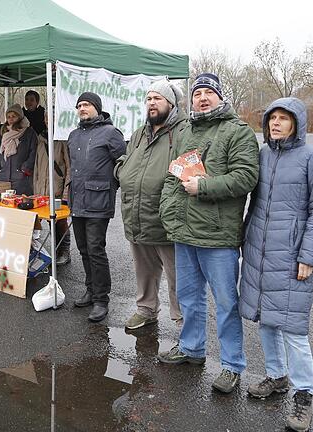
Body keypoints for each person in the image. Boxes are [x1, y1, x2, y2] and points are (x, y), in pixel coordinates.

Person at [157, 73, 259, 394]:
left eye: (208, 93)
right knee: (188, 297)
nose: (202, 98)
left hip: (217, 234)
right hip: (185, 231)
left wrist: (203, 187)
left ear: (220, 97)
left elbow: (246, 177)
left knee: (227, 303)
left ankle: (232, 365)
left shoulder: (238, 132)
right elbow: (176, 175)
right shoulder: (186, 129)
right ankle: (191, 348)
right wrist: (166, 207)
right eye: (197, 92)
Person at [239, 97, 313, 432]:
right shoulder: (263, 155)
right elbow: (253, 203)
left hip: (292, 255)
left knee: (293, 329)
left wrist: (308, 256)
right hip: (259, 254)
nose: (276, 123)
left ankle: (304, 394)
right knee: (265, 320)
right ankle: (276, 376)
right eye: (272, 118)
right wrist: (243, 239)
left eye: (283, 118)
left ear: (297, 123)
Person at [116, 80, 187, 330]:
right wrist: (121, 171)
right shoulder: (139, 132)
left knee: (178, 274)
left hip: (166, 217)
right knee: (144, 269)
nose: (152, 103)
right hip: (137, 212)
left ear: (170, 103)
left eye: (157, 98)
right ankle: (146, 309)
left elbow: (189, 168)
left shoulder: (183, 131)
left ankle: (182, 320)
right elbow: (125, 157)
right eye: (149, 99)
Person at [66, 92, 126, 322]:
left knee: (95, 250)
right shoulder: (73, 135)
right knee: (83, 249)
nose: (82, 108)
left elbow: (123, 164)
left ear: (97, 108)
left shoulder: (111, 133)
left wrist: (110, 187)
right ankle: (90, 290)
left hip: (98, 201)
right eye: (79, 105)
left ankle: (102, 299)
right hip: (78, 201)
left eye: (87, 105)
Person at [33, 111, 71, 265]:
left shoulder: (63, 140)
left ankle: (64, 251)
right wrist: (35, 190)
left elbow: (69, 167)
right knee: (50, 222)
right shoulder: (41, 139)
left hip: (57, 188)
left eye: (53, 117)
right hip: (41, 189)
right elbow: (37, 166)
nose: (49, 121)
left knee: (60, 221)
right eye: (47, 118)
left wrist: (66, 194)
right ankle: (56, 250)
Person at [0, 104, 37, 195]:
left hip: (21, 177)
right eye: (8, 117)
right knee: (4, 204)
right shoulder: (3, 132)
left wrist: (25, 168)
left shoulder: (29, 132)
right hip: (3, 176)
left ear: (20, 117)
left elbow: (34, 152)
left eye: (14, 116)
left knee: (21, 203)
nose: (11, 119)